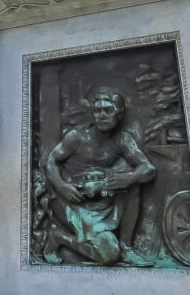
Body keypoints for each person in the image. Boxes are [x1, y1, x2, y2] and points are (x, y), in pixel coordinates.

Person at [42, 87, 156, 265]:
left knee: (133, 184)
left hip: (101, 201)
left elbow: (148, 168)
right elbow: (50, 161)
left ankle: (126, 247)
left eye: (107, 110)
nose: (101, 115)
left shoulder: (123, 140)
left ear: (118, 114)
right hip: (71, 201)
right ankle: (59, 237)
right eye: (97, 110)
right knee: (109, 254)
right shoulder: (76, 137)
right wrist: (62, 186)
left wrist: (129, 178)